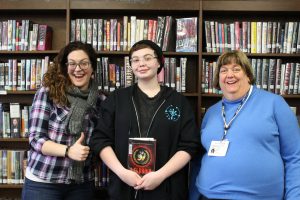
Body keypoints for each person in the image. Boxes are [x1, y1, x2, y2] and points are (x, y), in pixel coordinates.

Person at [90, 39, 200, 200]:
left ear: (159, 63)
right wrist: (122, 173)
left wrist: (160, 175)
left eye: (147, 58)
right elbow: (100, 139)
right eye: (135, 60)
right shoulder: (116, 99)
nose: (141, 63)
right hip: (124, 187)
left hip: (167, 188)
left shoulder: (178, 102)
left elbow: (190, 145)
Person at [191, 50, 300, 200]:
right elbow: (198, 159)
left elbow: (294, 157)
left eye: (236, 69)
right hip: (208, 195)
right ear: (218, 78)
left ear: (248, 75)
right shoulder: (211, 112)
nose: (230, 75)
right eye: (224, 70)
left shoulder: (275, 103)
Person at [22, 41, 105, 200]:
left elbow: (101, 139)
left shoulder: (101, 100)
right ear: (65, 67)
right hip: (43, 182)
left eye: (84, 63)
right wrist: (68, 151)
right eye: (72, 63)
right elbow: (35, 138)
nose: (78, 69)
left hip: (82, 183)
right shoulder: (48, 93)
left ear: (93, 67)